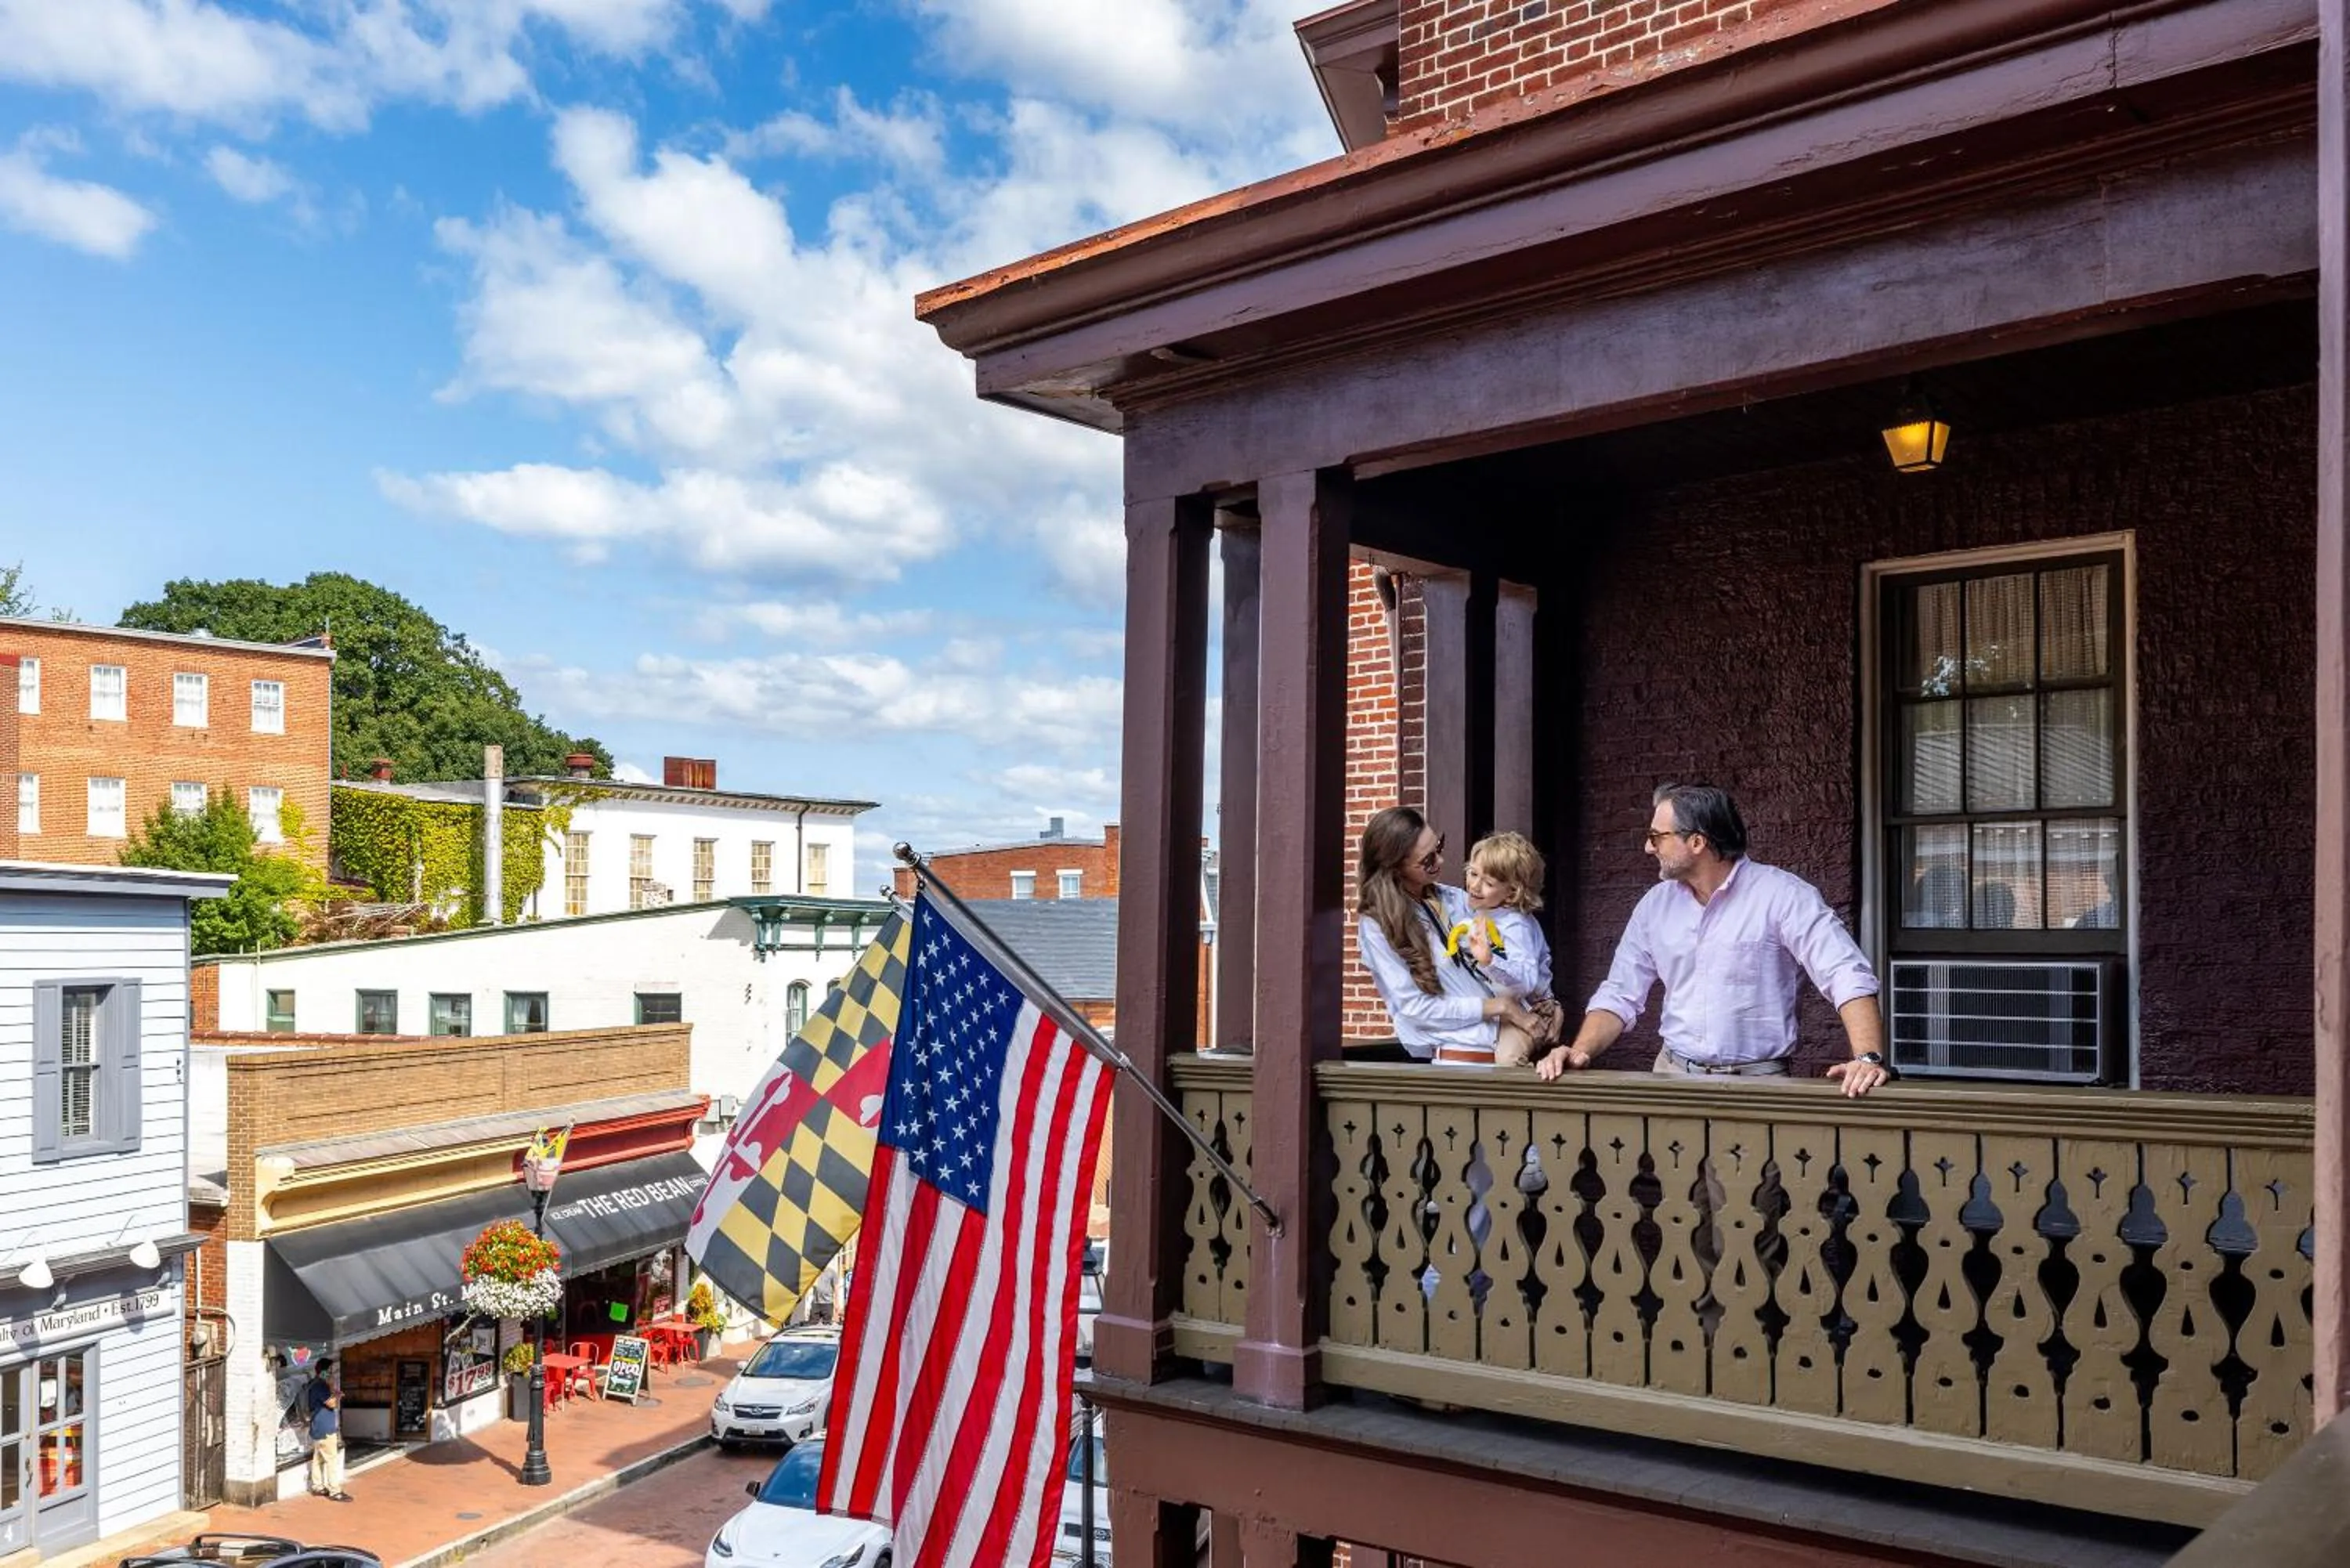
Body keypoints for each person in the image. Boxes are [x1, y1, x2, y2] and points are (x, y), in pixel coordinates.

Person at [1536, 783, 1893, 1097]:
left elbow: (1845, 974)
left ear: (1696, 841)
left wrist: (1867, 1057)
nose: (1648, 847)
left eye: (1657, 836)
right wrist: (1580, 1050)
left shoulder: (1783, 896)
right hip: (1671, 1077)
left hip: (1758, 1086)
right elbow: (1619, 993)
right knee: (1672, 1176)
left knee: (1751, 1177)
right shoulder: (1655, 905)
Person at [1354, 806, 1542, 1065]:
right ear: (1396, 868)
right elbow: (1415, 1009)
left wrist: (1547, 1001)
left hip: (1515, 1052)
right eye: (1428, 860)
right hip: (1461, 1064)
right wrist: (1499, 1007)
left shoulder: (1457, 899)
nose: (1441, 861)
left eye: (1438, 848)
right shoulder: (1378, 925)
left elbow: (1521, 937)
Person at [1455, 832, 1563, 1065]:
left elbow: (1526, 982)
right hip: (1505, 1008)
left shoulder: (1516, 925)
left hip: (1532, 1008)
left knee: (1507, 1060)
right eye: (1473, 874)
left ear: (1512, 892)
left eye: (1488, 883)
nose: (1474, 885)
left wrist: (1489, 961)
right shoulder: (1481, 911)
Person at [305, 1357, 349, 1501]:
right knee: (331, 1459)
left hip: (318, 1428)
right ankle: (335, 1491)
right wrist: (334, 1391)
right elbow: (332, 1404)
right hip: (325, 1429)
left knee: (318, 1459)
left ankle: (317, 1486)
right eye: (330, 1371)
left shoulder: (315, 1384)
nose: (332, 1374)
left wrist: (335, 1393)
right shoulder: (320, 1386)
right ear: (324, 1372)